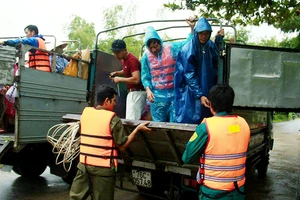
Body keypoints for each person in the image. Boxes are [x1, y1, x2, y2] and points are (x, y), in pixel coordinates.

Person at [69, 84, 151, 200]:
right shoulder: (112, 119)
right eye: (113, 100)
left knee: (76, 197)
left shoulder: (86, 113)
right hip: (103, 169)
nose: (115, 104)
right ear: (106, 101)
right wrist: (137, 129)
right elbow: (122, 146)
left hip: (84, 166)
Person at [182, 84, 250, 200]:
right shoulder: (243, 124)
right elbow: (230, 135)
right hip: (238, 191)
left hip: (213, 194)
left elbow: (186, 157)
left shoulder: (206, 127)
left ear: (210, 105)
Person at [141, 17, 195, 122]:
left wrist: (192, 28)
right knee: (158, 126)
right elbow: (145, 76)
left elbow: (187, 44)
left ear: (159, 42)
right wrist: (148, 90)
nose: (154, 49)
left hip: (174, 95)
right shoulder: (146, 56)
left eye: (155, 45)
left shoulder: (171, 48)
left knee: (174, 125)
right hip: (157, 97)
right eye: (151, 47)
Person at [174, 17, 219, 124]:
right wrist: (199, 95)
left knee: (207, 119)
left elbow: (218, 64)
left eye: (207, 33)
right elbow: (189, 74)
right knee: (190, 118)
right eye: (201, 33)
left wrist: (219, 40)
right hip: (191, 91)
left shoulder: (210, 46)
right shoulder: (188, 49)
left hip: (207, 88)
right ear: (196, 33)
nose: (204, 36)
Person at [109, 39, 146, 120]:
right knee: (131, 119)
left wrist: (119, 79)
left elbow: (136, 79)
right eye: (114, 52)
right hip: (133, 93)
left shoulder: (131, 60)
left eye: (117, 52)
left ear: (124, 50)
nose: (115, 55)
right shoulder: (124, 59)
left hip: (137, 93)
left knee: (132, 120)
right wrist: (117, 73)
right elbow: (127, 70)